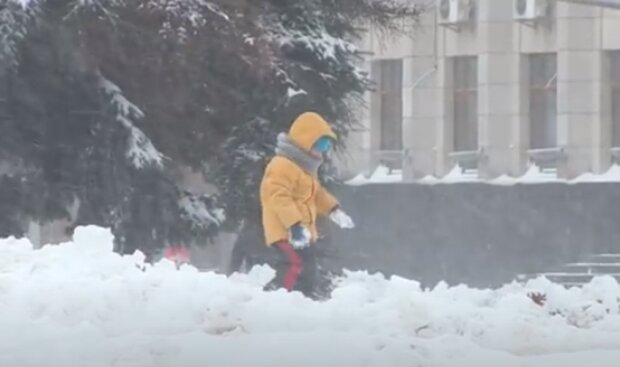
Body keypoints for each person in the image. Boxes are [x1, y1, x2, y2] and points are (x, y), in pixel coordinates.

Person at [259, 111, 355, 298]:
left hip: (302, 231)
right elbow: (279, 198)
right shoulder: (281, 166)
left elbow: (317, 194)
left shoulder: (305, 170)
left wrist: (333, 210)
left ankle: (304, 296)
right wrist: (294, 225)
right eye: (320, 144)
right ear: (305, 141)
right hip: (285, 230)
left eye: (326, 146)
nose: (323, 150)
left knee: (308, 266)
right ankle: (276, 297)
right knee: (294, 264)